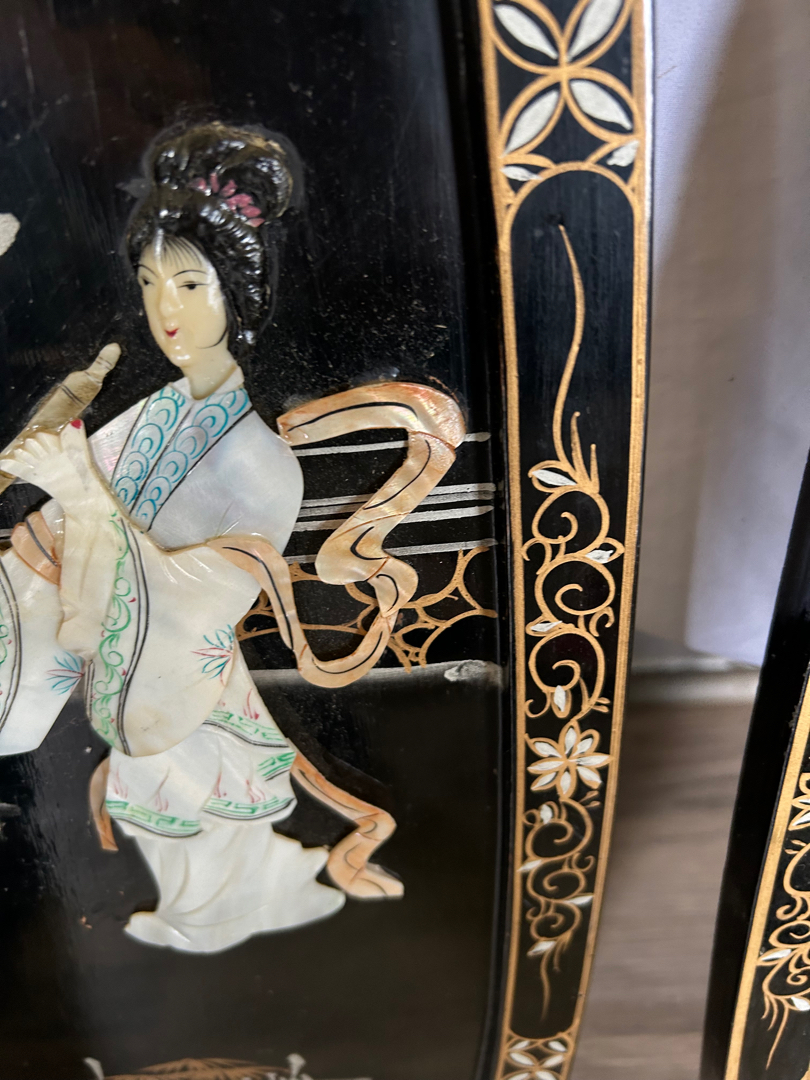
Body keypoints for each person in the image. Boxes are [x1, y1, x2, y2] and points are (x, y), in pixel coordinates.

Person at [0, 122, 464, 954]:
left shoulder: (260, 462)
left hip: (186, 685)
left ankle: (242, 912)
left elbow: (195, 608)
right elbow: (62, 516)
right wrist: (49, 470)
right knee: (165, 826)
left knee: (203, 834)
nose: (165, 310)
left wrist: (79, 492)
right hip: (122, 663)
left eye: (189, 283)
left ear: (238, 295)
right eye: (150, 284)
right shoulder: (154, 411)